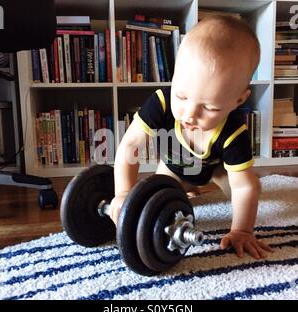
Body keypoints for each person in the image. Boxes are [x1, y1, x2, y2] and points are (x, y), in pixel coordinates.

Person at [109, 15, 272, 259]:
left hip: (216, 169)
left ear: (238, 100)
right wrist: (123, 192)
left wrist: (242, 230)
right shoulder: (162, 103)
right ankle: (189, 187)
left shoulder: (234, 130)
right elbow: (129, 147)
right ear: (174, 77)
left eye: (209, 108)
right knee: (157, 204)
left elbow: (243, 185)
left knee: (247, 191)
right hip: (174, 166)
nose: (190, 114)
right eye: (182, 97)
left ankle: (199, 189)